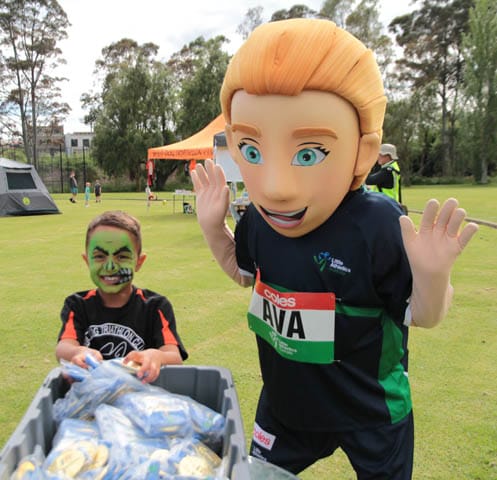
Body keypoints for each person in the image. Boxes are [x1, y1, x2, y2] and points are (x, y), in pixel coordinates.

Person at [191, 19, 478, 479]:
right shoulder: (259, 221)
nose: (277, 188)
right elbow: (243, 272)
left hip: (370, 411)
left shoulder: (377, 225)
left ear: (363, 151)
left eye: (308, 154)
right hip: (286, 409)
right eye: (253, 151)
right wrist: (213, 228)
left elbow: (422, 314)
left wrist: (432, 274)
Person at [56, 210, 188, 383]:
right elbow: (63, 347)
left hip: (141, 394)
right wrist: (78, 352)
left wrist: (155, 356)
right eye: (100, 256)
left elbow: (174, 356)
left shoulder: (155, 306)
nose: (110, 266)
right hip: (92, 392)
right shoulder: (77, 304)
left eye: (122, 256)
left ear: (139, 262)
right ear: (87, 261)